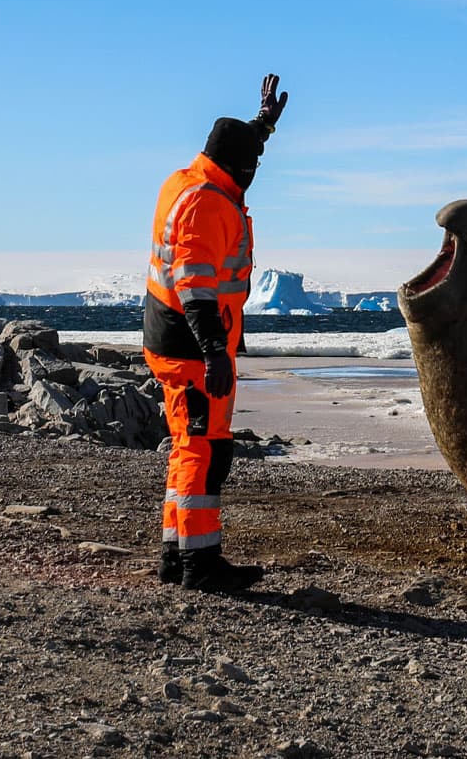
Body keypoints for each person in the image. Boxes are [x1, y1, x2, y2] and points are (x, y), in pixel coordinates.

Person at [144, 74, 287, 592]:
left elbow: (236, 149)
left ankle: (175, 555)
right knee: (203, 452)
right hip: (192, 348)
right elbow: (194, 284)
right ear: (239, 167)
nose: (253, 173)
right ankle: (199, 565)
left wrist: (262, 125)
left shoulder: (195, 179)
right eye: (252, 164)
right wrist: (214, 353)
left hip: (178, 342)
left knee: (190, 447)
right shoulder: (206, 204)